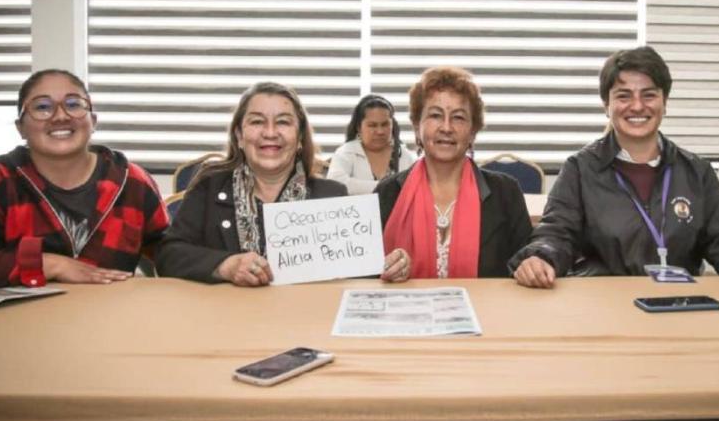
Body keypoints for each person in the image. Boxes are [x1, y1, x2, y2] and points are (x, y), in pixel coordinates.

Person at [511, 46, 719, 289]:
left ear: (665, 102)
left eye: (649, 95)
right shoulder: (580, 169)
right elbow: (556, 234)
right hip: (603, 308)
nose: (637, 106)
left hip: (680, 305)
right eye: (623, 96)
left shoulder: (696, 171)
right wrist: (541, 258)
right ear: (606, 105)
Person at [0, 69, 169, 289]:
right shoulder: (0, 179)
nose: (60, 116)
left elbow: (169, 252)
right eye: (42, 107)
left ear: (93, 121)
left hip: (111, 319)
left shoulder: (133, 181)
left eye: (74, 104)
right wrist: (50, 264)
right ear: (20, 127)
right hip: (23, 323)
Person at [156, 82, 410, 285]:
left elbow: (361, 273)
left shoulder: (331, 195)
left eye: (283, 122)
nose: (270, 132)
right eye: (257, 121)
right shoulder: (209, 187)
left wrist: (390, 266)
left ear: (299, 137)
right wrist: (225, 265)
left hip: (303, 329)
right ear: (239, 136)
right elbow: (169, 255)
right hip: (222, 328)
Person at [377, 66, 532, 278]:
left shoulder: (506, 193)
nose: (447, 127)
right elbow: (364, 276)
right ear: (416, 127)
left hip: (486, 310)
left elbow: (524, 267)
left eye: (458, 117)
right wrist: (386, 270)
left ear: (473, 131)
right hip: (407, 310)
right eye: (435, 115)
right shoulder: (387, 193)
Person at [327, 94, 417, 195]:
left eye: (385, 124)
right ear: (359, 127)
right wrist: (387, 188)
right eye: (372, 125)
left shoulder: (405, 156)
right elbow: (335, 185)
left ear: (392, 125)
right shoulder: (346, 153)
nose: (380, 131)